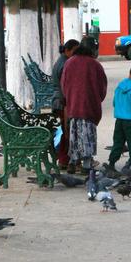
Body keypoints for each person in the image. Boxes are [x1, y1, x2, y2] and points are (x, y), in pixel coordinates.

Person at [61, 36, 107, 174]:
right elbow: (102, 87)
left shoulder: (69, 63)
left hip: (73, 105)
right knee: (87, 135)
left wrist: (70, 98)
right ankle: (86, 164)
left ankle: (73, 162)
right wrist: (96, 99)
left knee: (74, 134)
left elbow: (64, 85)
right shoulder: (95, 65)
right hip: (88, 106)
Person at [105, 62, 131, 174]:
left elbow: (114, 102)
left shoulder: (120, 86)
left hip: (119, 120)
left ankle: (111, 163)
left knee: (118, 142)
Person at [51, 39, 80, 169]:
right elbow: (66, 87)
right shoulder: (65, 64)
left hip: (59, 100)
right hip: (62, 102)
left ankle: (64, 160)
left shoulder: (63, 61)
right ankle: (65, 160)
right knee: (66, 133)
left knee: (65, 132)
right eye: (74, 51)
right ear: (67, 50)